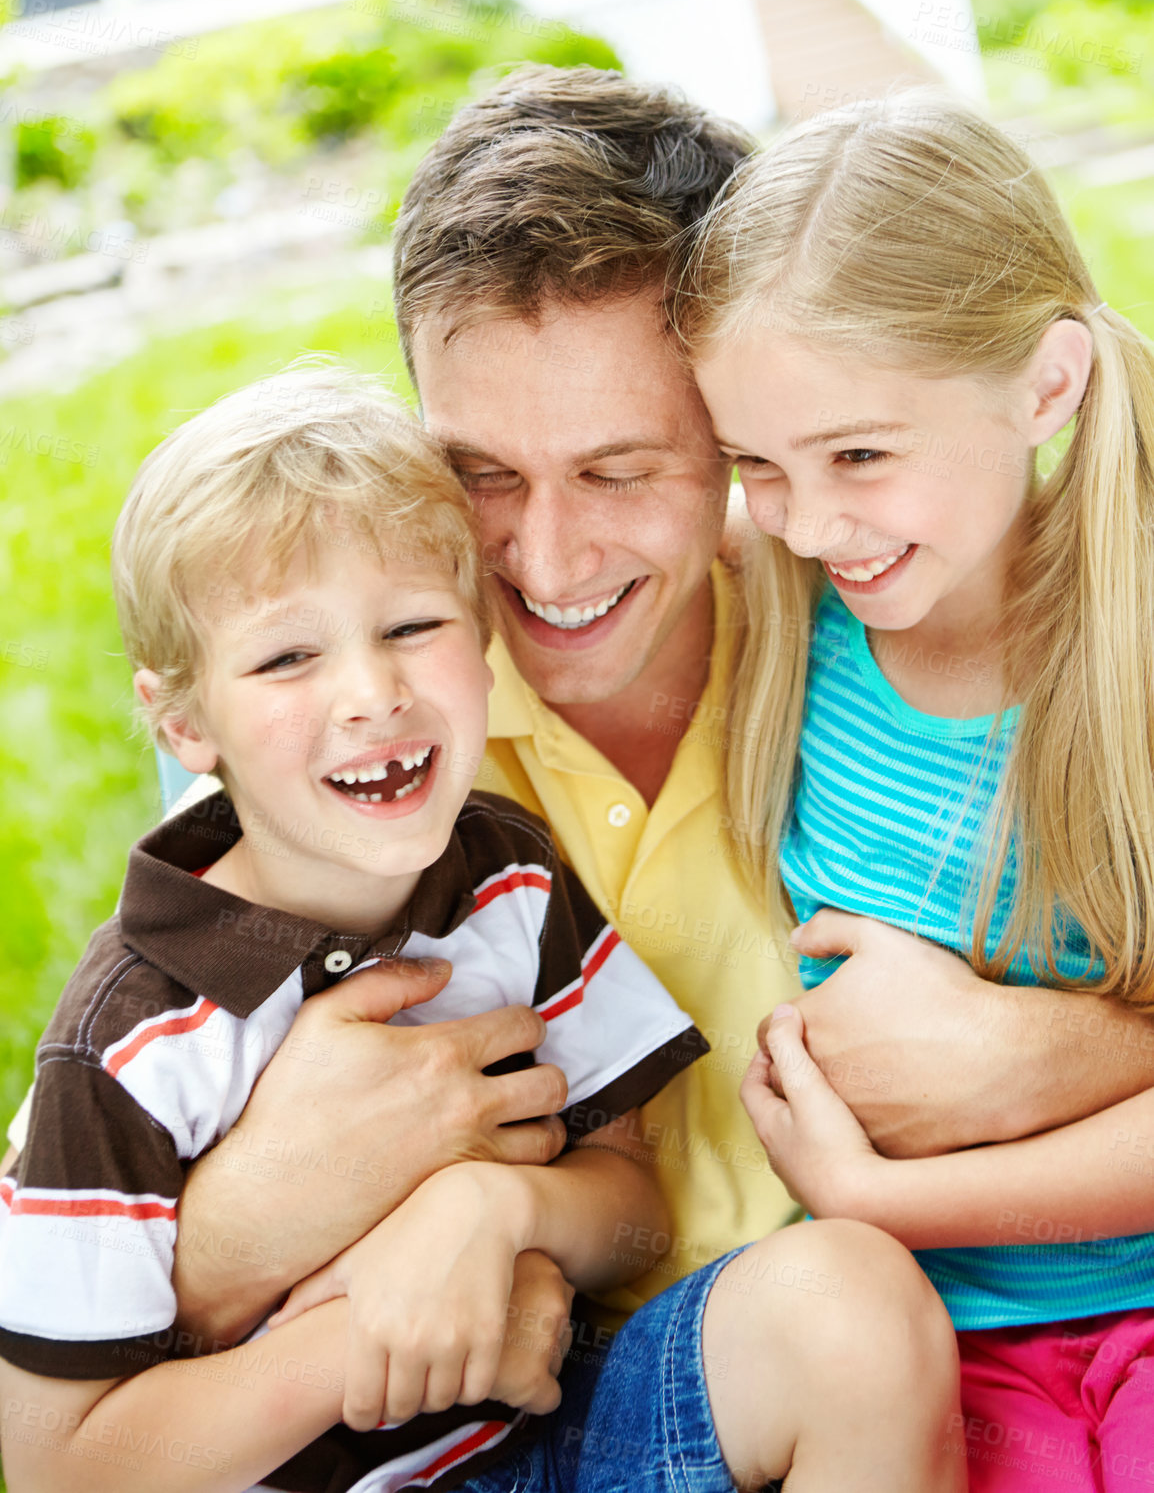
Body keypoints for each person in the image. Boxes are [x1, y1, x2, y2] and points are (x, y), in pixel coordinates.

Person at [0, 368, 967, 1493]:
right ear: (180, 720)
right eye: (286, 657)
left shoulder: (505, 874)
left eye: (411, 626)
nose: (370, 693)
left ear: (480, 634)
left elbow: (630, 1207)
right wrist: (369, 1335)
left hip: (553, 1431)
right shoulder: (130, 1038)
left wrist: (496, 1206)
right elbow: (60, 1464)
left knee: (849, 1302)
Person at [681, 89, 1154, 1490]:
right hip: (925, 1348)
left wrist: (880, 1194)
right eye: (756, 465)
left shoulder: (1127, 643)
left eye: (861, 456)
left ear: (1046, 386)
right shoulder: (778, 599)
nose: (810, 522)